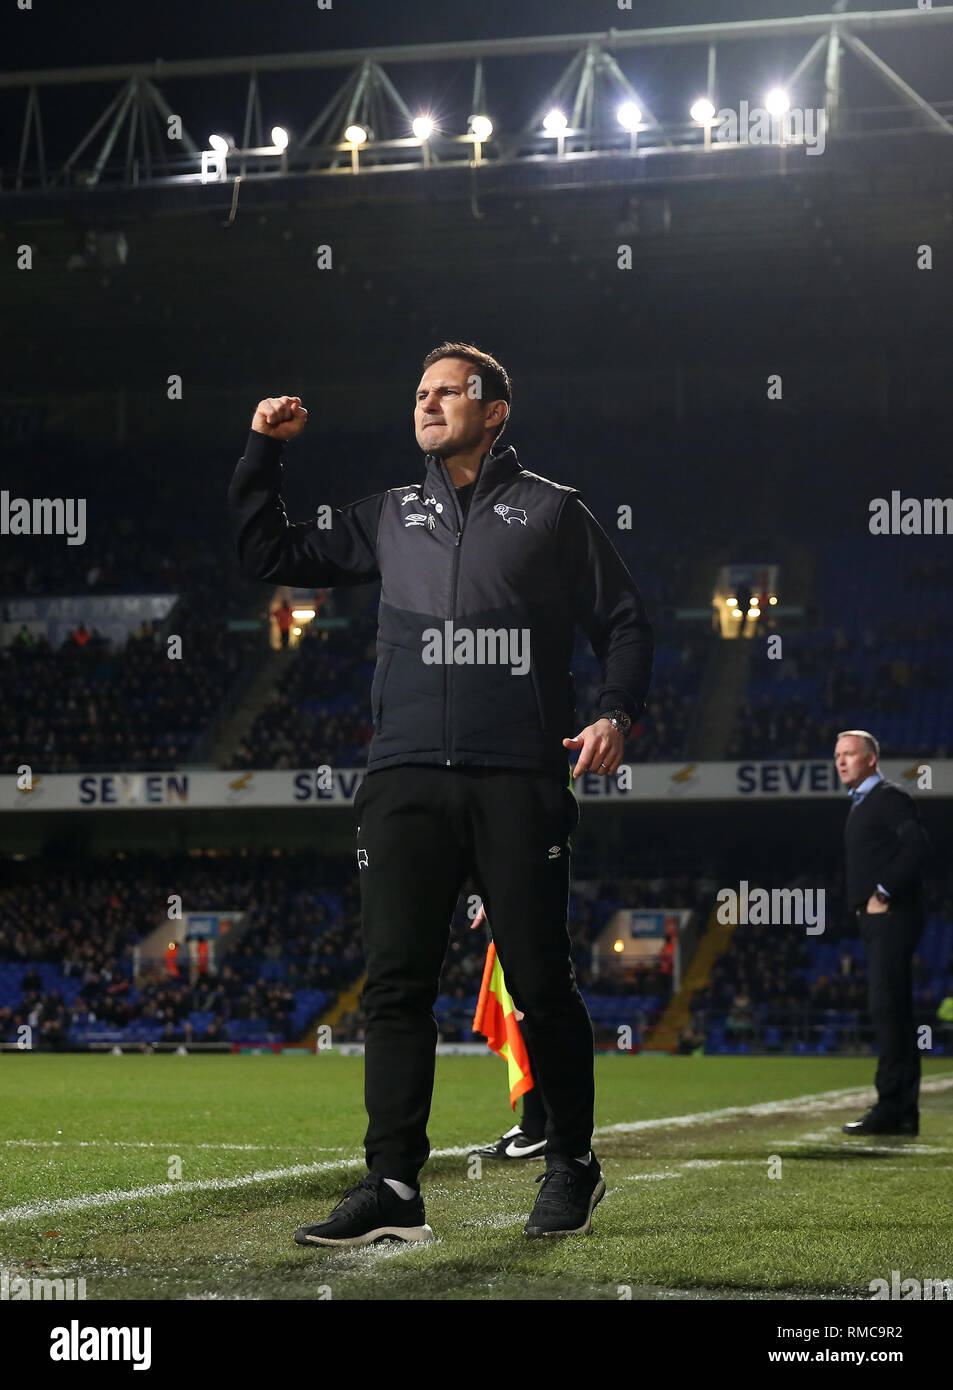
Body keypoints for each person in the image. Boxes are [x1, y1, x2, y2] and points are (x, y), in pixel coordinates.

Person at [227, 342, 654, 1245]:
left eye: (446, 391)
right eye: (418, 392)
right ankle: (392, 1187)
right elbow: (266, 552)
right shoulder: (386, 514)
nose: (425, 403)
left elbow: (624, 620)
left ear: (492, 410)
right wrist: (264, 450)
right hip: (405, 777)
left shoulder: (553, 511)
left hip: (516, 776)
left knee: (541, 984)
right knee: (394, 987)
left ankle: (571, 1161)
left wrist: (616, 711)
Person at [835, 730, 930, 1136]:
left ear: (871, 759)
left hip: (891, 916)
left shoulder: (887, 797)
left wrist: (883, 890)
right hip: (877, 920)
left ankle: (892, 1107)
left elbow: (918, 845)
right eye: (837, 755)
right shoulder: (863, 802)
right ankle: (902, 1111)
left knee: (887, 1008)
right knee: (892, 1009)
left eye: (849, 755)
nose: (840, 762)